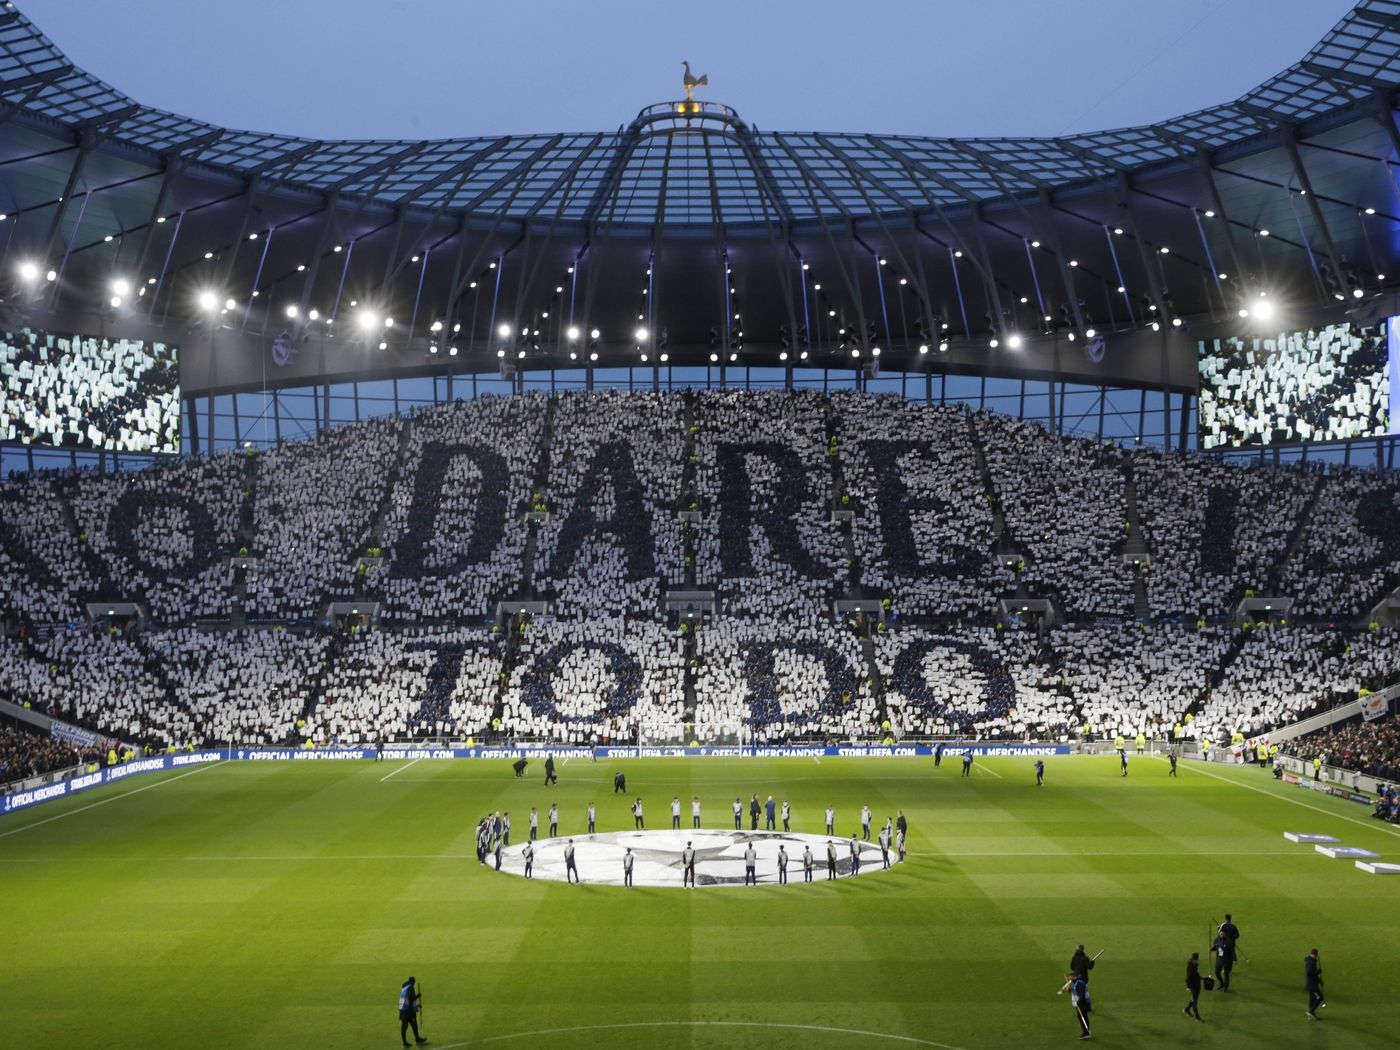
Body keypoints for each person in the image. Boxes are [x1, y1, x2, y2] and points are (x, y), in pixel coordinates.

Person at [398, 977, 427, 1047]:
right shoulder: (410, 987)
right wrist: (418, 996)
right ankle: (417, 1039)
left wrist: (417, 1006)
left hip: (402, 1009)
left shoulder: (404, 988)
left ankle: (405, 1042)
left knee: (404, 1026)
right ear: (413, 982)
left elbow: (407, 1000)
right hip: (409, 1012)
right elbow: (411, 998)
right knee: (414, 1025)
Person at [1068, 971, 1091, 1040]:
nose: (1069, 978)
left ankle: (1086, 1033)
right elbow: (1076, 990)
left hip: (1083, 1003)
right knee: (1082, 1017)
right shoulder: (1076, 982)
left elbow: (1082, 995)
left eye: (1070, 977)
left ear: (1073, 976)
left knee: (1082, 1017)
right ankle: (1086, 1031)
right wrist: (1070, 990)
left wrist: (1078, 1002)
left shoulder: (1080, 983)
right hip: (1082, 1003)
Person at [1304, 948, 1324, 1019]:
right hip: (1312, 984)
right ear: (1316, 954)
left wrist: (1319, 981)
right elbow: (1310, 972)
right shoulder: (1311, 962)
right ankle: (1311, 1011)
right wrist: (1318, 972)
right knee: (1320, 997)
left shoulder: (1310, 960)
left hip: (1310, 983)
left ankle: (1311, 1014)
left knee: (1312, 998)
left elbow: (1312, 973)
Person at [1184, 952, 1204, 1021]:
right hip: (1193, 986)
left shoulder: (1194, 965)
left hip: (1197, 985)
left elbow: (1196, 974)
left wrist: (1202, 978)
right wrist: (1188, 987)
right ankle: (1197, 1016)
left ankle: (1187, 1009)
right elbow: (1188, 977)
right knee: (1194, 1001)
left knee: (1194, 999)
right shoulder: (1192, 966)